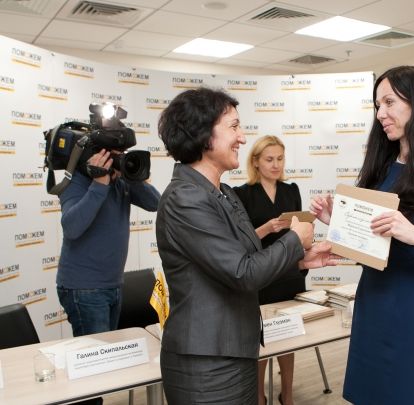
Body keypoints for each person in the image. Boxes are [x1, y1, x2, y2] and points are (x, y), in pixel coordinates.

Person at [155, 87, 337, 405]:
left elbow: (248, 261)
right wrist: (295, 239)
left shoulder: (223, 193)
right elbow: (243, 273)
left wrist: (300, 260)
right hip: (206, 366)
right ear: (203, 134)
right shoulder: (186, 197)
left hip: (235, 352)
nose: (242, 137)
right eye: (234, 126)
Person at [311, 65, 414, 404]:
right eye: (377, 105)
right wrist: (339, 223)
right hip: (371, 303)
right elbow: (374, 242)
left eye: (389, 102)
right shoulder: (381, 166)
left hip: (410, 311)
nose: (380, 114)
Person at [56, 149, 160, 405]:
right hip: (83, 288)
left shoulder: (122, 182)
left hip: (112, 285)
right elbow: (72, 227)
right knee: (93, 374)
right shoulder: (77, 181)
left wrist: (131, 175)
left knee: (101, 368)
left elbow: (155, 202)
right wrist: (99, 183)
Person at [234, 135, 306, 405]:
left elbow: (300, 233)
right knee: (261, 340)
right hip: (260, 275)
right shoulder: (242, 194)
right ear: (255, 161)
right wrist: (266, 228)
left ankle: (287, 395)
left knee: (289, 336)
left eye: (280, 159)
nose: (276, 165)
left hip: (289, 275)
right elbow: (239, 242)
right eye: (269, 159)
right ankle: (259, 398)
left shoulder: (291, 190)